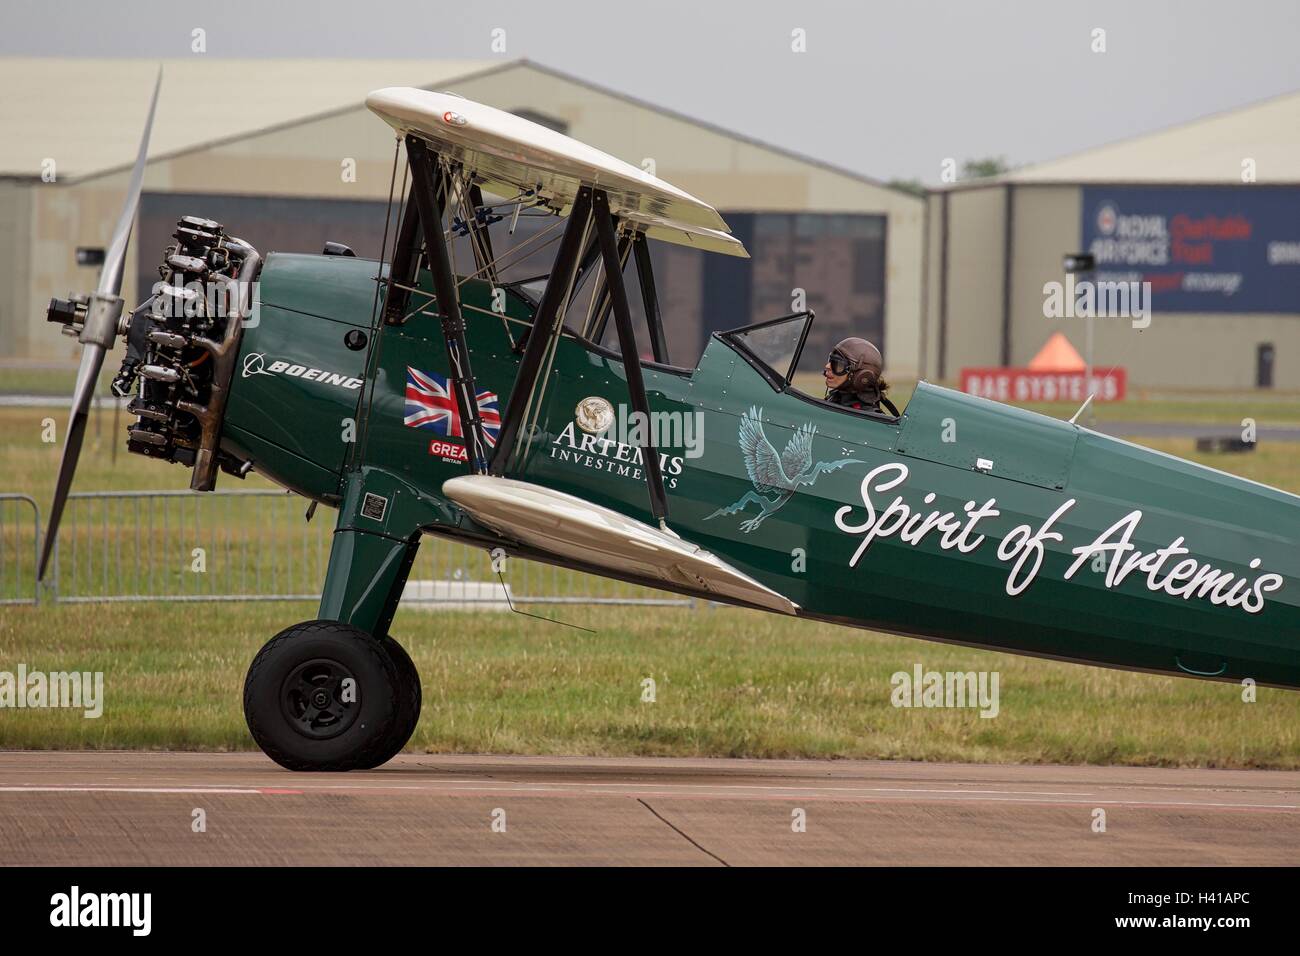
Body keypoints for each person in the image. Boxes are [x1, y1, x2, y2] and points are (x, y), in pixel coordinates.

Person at [823, 337, 899, 416]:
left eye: (838, 364)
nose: (827, 366)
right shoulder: (834, 400)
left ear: (861, 376)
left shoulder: (870, 420)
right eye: (830, 361)